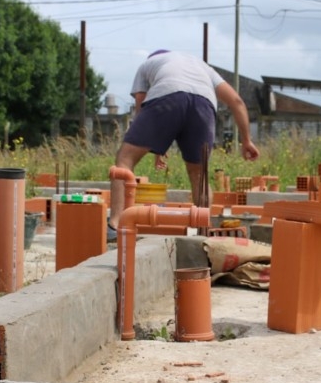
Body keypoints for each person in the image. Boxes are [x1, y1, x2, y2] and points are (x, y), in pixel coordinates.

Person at [107, 49, 259, 240]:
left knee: (125, 159)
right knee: (199, 175)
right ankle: (203, 231)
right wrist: (246, 140)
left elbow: (141, 104)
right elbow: (236, 101)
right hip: (203, 105)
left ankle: (116, 224)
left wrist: (147, 139)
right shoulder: (202, 67)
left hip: (166, 98)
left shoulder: (148, 65)